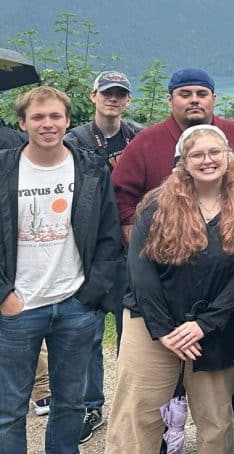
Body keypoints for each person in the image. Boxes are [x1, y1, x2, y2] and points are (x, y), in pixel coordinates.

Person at [111, 67, 234, 451]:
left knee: (216, 422)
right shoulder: (156, 205)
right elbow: (141, 270)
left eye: (215, 152)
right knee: (139, 416)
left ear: (228, 158)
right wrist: (165, 328)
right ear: (182, 162)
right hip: (151, 321)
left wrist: (204, 323)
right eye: (196, 154)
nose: (207, 160)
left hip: (213, 327)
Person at [0, 86, 123, 454]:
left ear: (68, 120)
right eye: (38, 117)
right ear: (23, 123)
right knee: (8, 410)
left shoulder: (91, 169)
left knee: (70, 405)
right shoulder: (4, 169)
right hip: (18, 308)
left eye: (55, 116)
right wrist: (3, 295)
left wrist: (89, 296)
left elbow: (108, 237)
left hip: (75, 306)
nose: (47, 124)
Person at [63, 70, 142, 443]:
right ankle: (91, 405)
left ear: (127, 101)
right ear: (93, 96)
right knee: (87, 335)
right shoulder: (74, 140)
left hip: (130, 249)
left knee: (133, 335)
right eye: (107, 93)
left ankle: (134, 408)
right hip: (88, 251)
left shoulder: (139, 137)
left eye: (120, 94)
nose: (113, 99)